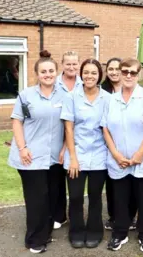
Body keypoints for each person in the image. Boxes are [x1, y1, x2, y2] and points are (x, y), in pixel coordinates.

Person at [102, 58, 143, 253]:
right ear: (119, 72)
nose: (128, 75)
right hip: (118, 160)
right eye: (125, 71)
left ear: (138, 75)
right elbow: (105, 128)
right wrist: (116, 154)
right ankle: (119, 234)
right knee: (120, 198)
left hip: (142, 160)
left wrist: (140, 154)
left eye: (133, 72)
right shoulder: (110, 99)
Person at [7, 50, 63, 254]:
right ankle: (34, 240)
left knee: (51, 197)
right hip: (30, 156)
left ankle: (45, 233)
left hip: (55, 157)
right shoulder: (26, 95)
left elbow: (69, 125)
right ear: (37, 74)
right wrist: (22, 148)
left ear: (57, 72)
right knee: (36, 200)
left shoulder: (64, 94)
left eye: (51, 70)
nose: (47, 74)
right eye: (43, 71)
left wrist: (66, 148)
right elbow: (16, 122)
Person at [61, 58, 110, 249]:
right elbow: (68, 128)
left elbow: (108, 129)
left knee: (95, 196)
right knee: (75, 197)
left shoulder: (107, 98)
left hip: (99, 155)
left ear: (99, 76)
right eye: (87, 72)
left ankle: (95, 231)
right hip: (77, 155)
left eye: (94, 73)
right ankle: (76, 231)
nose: (89, 76)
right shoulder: (72, 97)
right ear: (82, 74)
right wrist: (73, 158)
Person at [101, 57, 138, 232]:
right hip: (108, 145)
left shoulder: (133, 90)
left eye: (118, 69)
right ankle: (114, 216)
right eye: (111, 69)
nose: (114, 72)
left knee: (131, 183)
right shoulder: (103, 92)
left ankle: (130, 216)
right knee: (113, 184)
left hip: (130, 145)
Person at [52, 51, 83, 230]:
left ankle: (75, 216)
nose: (71, 67)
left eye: (74, 64)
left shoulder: (83, 83)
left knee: (74, 178)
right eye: (68, 64)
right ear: (62, 65)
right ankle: (59, 214)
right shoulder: (53, 82)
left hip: (75, 135)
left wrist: (66, 146)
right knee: (57, 178)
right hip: (55, 133)